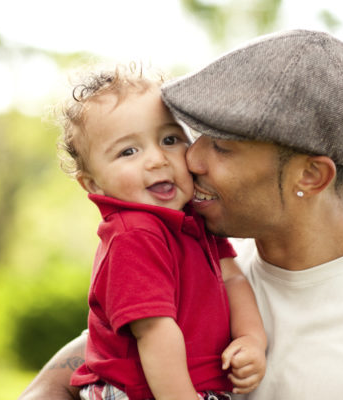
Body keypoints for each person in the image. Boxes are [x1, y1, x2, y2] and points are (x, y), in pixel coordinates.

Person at [20, 30, 343, 399]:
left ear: (311, 176)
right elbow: (89, 358)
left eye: (224, 148)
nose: (190, 160)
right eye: (196, 137)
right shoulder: (199, 254)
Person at [53, 64, 266, 400]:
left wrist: (251, 338)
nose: (156, 159)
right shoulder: (134, 234)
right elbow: (154, 330)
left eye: (169, 139)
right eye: (128, 151)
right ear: (94, 183)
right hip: (138, 390)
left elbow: (233, 279)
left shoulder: (193, 220)